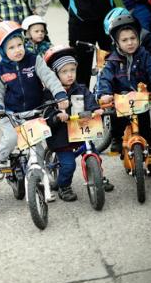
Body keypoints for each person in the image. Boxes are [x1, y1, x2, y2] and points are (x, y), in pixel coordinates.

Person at [0, 21, 68, 174]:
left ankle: (41, 180)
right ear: (2, 51)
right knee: (11, 138)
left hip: (34, 111)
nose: (18, 50)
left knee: (37, 148)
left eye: (20, 45)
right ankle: (2, 159)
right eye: (11, 48)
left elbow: (49, 77)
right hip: (11, 114)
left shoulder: (34, 59)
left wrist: (60, 94)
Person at [96, 14, 151, 178]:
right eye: (124, 40)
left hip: (140, 101)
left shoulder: (144, 56)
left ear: (138, 38)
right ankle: (117, 138)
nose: (130, 43)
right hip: (120, 102)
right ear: (116, 42)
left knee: (146, 131)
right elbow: (105, 79)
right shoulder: (112, 60)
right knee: (117, 122)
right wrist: (105, 94)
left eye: (133, 38)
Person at [43, 45, 114, 201]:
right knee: (68, 165)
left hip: (80, 132)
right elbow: (47, 114)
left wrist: (96, 110)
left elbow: (90, 102)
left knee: (93, 154)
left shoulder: (81, 89)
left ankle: (98, 176)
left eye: (72, 70)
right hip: (61, 137)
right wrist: (57, 116)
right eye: (64, 71)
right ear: (55, 74)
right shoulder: (49, 94)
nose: (69, 75)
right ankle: (64, 186)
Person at [57, 0, 114, 87]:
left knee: (111, 61)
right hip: (80, 21)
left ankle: (108, 95)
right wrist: (74, 7)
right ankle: (81, 98)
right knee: (81, 69)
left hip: (106, 17)